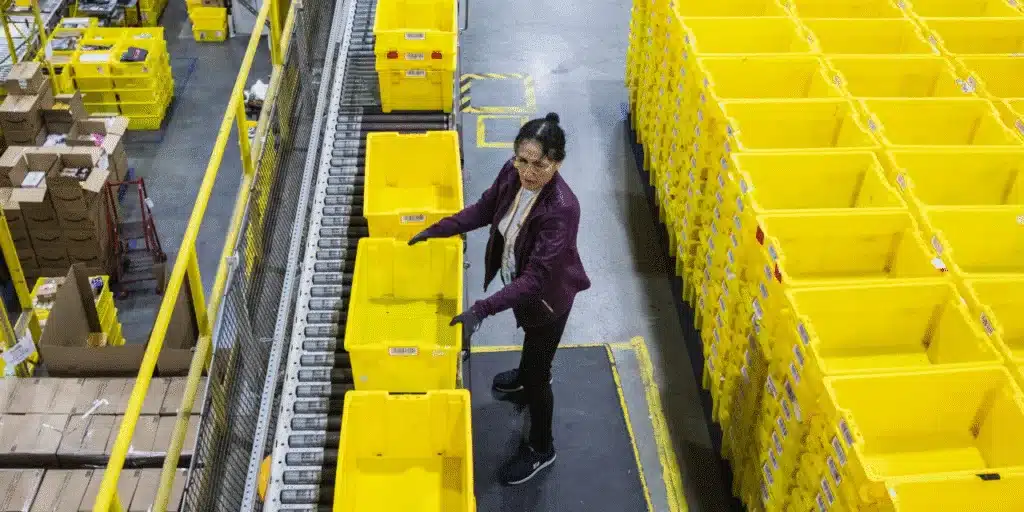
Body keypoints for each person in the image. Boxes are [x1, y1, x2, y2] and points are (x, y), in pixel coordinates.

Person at [408, 112, 591, 485]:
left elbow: (537, 279)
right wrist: (437, 230)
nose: (528, 171)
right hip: (522, 287)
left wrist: (481, 309)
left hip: (547, 301)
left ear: (556, 162)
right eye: (522, 160)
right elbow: (485, 209)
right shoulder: (512, 176)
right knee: (530, 346)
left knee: (540, 374)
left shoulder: (561, 208)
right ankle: (523, 377)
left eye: (538, 164)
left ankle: (542, 448)